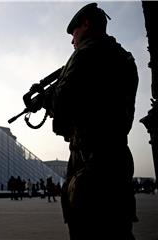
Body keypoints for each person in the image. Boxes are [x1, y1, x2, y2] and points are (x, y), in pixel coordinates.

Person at [38, 3, 138, 239]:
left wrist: (47, 101)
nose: (72, 41)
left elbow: (63, 106)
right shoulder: (125, 58)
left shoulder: (85, 53)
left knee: (87, 230)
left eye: (74, 33)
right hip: (117, 158)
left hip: (89, 163)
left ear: (86, 24)